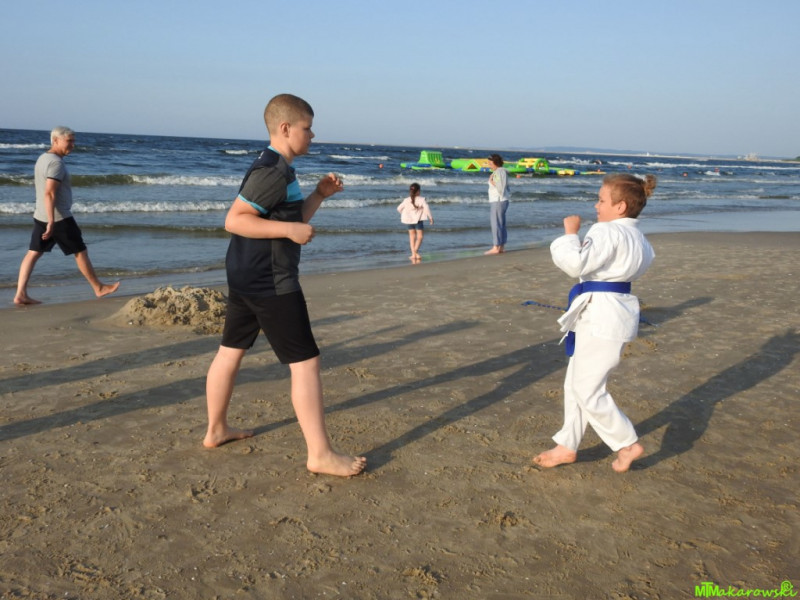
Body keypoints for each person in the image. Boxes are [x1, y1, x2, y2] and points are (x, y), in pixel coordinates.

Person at [203, 94, 366, 477]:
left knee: (231, 350)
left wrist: (318, 196)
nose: (313, 135)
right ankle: (320, 454)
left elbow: (286, 218)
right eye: (308, 128)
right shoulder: (272, 171)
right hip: (269, 280)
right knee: (306, 363)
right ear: (286, 128)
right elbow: (235, 220)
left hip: (245, 274)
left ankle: (216, 430)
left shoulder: (280, 169)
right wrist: (290, 231)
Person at [533, 173, 657, 473]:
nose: (596, 205)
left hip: (602, 314)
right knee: (576, 380)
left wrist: (569, 235)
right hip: (614, 311)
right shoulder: (640, 239)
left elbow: (576, 263)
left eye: (601, 200)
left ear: (620, 206)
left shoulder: (607, 231)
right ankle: (567, 444)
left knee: (587, 387)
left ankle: (626, 444)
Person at [14, 127, 120, 305]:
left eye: (73, 141)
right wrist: (51, 222)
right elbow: (49, 193)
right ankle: (98, 288)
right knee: (80, 251)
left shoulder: (43, 158)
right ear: (56, 140)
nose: (72, 145)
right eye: (69, 141)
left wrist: (47, 219)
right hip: (58, 217)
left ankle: (20, 294)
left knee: (33, 253)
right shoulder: (56, 163)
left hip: (41, 214)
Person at [397, 182, 434, 262]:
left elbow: (399, 208)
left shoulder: (406, 200)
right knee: (420, 237)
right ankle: (415, 252)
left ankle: (413, 254)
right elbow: (426, 208)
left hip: (409, 221)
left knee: (412, 237)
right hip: (418, 221)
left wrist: (405, 214)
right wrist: (430, 218)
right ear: (418, 191)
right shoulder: (421, 199)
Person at [485, 153, 510, 255]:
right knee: (501, 223)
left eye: (490, 163)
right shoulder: (501, 171)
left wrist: (491, 181)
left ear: (495, 163)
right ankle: (501, 246)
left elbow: (500, 186)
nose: (489, 165)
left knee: (496, 224)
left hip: (498, 200)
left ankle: (496, 246)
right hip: (502, 200)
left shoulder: (499, 172)